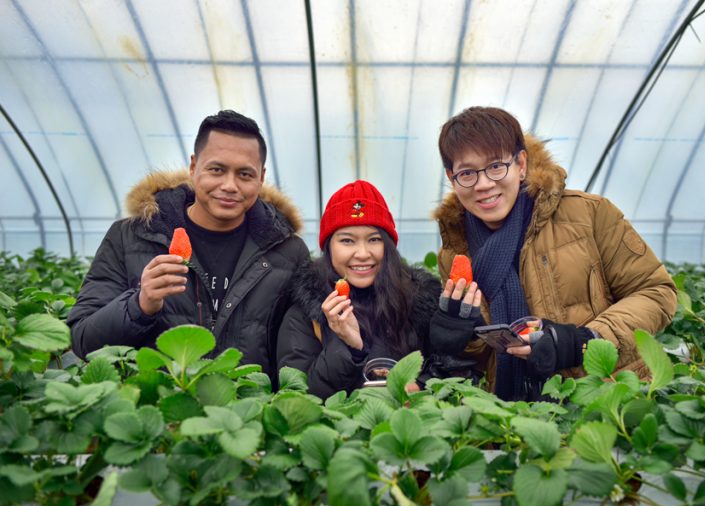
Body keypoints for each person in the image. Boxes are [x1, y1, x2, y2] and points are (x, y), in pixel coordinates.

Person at [431, 106, 677, 401]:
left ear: (521, 163)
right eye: (467, 173)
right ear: (451, 177)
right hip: (510, 415)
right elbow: (484, 360)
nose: (483, 184)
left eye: (496, 166)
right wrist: (460, 336)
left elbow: (656, 292)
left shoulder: (590, 215)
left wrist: (586, 341)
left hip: (602, 397)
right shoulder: (455, 253)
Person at [68, 110, 310, 381]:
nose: (229, 185)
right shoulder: (130, 238)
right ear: (194, 167)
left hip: (248, 416)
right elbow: (83, 340)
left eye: (245, 174)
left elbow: (300, 353)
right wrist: (140, 304)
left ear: (261, 177)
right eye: (217, 170)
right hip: (156, 413)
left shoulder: (289, 252)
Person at [277, 180, 482, 399]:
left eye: (374, 239)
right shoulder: (306, 315)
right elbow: (300, 398)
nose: (363, 253)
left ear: (388, 245)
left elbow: (461, 381)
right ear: (329, 247)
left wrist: (448, 348)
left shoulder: (419, 301)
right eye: (347, 241)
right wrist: (348, 347)